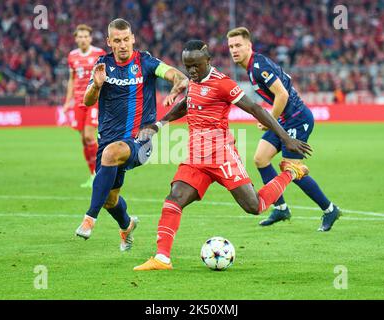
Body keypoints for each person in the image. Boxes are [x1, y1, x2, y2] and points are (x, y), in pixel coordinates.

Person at [133, 40, 312, 271]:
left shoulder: (223, 84)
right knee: (174, 199)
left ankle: (291, 172)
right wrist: (159, 124)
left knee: (254, 206)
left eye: (196, 65)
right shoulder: (194, 81)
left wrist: (286, 138)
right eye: (188, 66)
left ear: (208, 61)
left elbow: (256, 109)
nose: (192, 71)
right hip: (196, 157)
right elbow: (187, 104)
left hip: (222, 155)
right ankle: (162, 258)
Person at [74, 18, 189, 252]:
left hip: (140, 140)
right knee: (109, 199)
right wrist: (96, 86)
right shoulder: (102, 64)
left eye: (126, 39)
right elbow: (87, 101)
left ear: (133, 38)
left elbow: (172, 73)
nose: (123, 44)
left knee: (111, 153)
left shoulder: (145, 62)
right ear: (109, 42)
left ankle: (89, 218)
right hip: (108, 139)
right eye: (117, 40)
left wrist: (179, 82)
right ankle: (127, 226)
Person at [227, 27, 341, 231]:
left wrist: (269, 118)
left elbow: (282, 95)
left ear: (249, 46)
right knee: (261, 159)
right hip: (284, 120)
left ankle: (329, 209)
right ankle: (280, 208)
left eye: (238, 45)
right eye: (231, 46)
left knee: (292, 169)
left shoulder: (258, 65)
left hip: (297, 119)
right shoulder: (252, 67)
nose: (234, 50)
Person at [64, 24, 106, 188]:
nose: (82, 39)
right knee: (83, 139)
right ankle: (92, 174)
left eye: (85, 36)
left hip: (94, 99)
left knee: (89, 136)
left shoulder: (99, 54)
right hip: (78, 101)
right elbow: (72, 80)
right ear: (75, 39)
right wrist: (68, 101)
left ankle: (100, 172)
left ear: (90, 38)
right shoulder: (72, 56)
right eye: (79, 37)